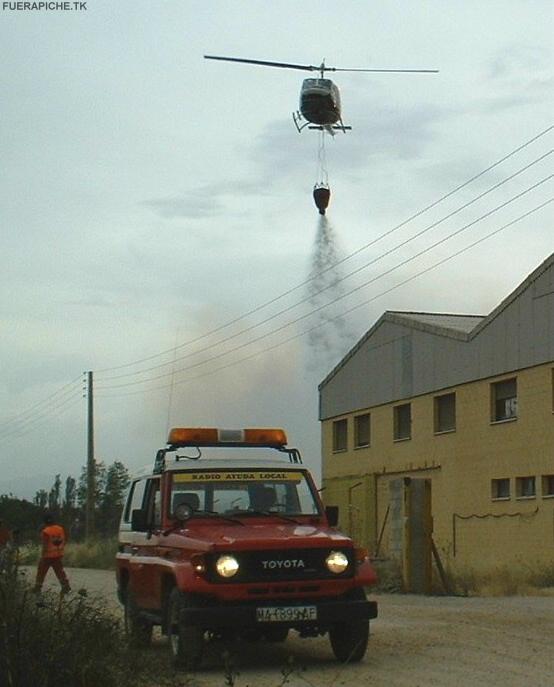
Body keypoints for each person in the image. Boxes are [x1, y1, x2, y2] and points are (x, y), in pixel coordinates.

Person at [34, 513, 70, 594]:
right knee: (59, 571)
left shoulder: (46, 531)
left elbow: (45, 544)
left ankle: (37, 588)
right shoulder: (60, 529)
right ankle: (65, 586)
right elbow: (65, 539)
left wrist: (42, 555)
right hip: (58, 554)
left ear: (44, 522)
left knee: (41, 571)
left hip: (47, 556)